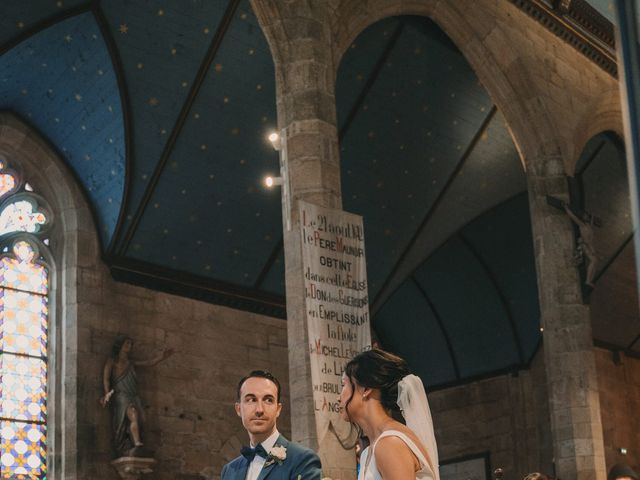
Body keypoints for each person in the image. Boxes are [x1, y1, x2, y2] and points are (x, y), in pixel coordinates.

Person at [339, 348, 439, 480]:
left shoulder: (390, 443)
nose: (339, 397)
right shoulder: (367, 453)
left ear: (366, 389)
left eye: (344, 385)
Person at [221, 370, 322, 480]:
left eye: (268, 400)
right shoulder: (229, 470)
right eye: (251, 400)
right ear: (238, 409)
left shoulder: (302, 460)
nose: (259, 409)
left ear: (278, 409)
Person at [100, 335, 174, 457]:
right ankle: (137, 443)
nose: (129, 346)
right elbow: (106, 379)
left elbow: (148, 363)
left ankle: (134, 443)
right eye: (127, 343)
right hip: (121, 395)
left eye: (130, 344)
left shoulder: (131, 363)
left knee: (140, 419)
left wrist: (162, 357)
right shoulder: (112, 361)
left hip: (132, 395)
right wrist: (107, 393)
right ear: (121, 345)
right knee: (133, 414)